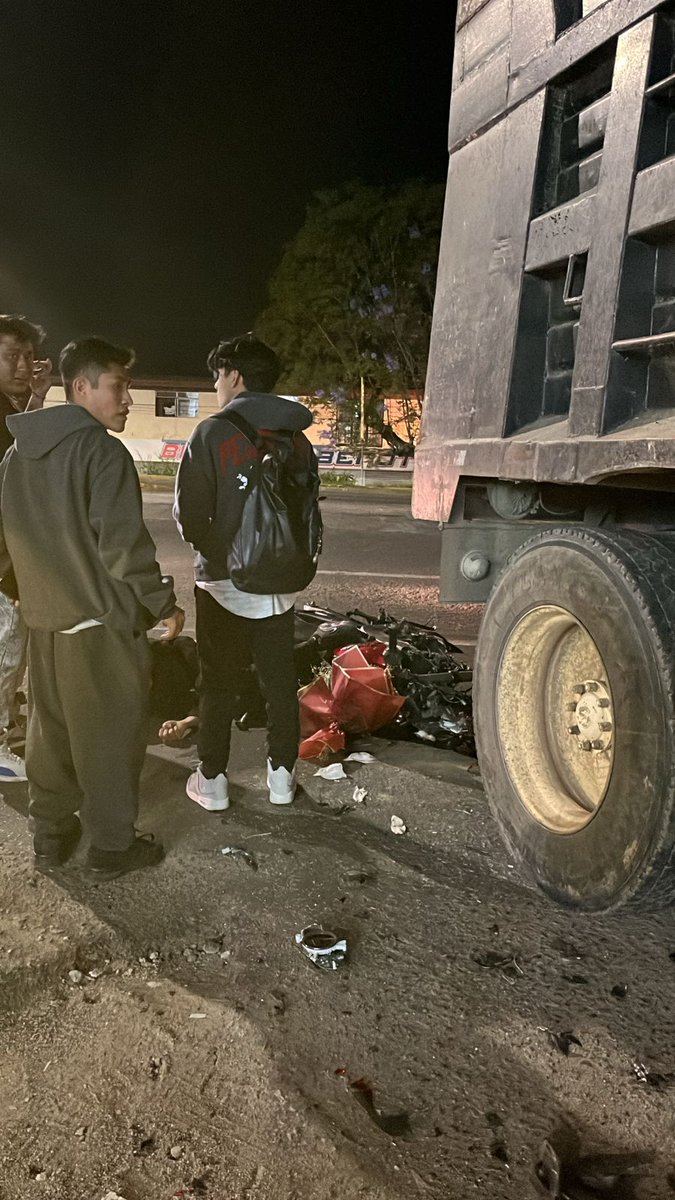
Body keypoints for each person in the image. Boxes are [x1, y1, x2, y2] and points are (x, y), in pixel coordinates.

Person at [0, 337, 185, 878]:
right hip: (99, 624)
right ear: (81, 387)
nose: (128, 398)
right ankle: (110, 846)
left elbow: (7, 542)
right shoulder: (102, 452)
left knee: (49, 732)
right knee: (109, 736)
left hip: (45, 621)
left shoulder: (15, 455)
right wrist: (162, 606)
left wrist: (28, 594)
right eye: (119, 386)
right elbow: (123, 549)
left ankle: (50, 836)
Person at [175, 333, 316, 811]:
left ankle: (212, 782)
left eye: (218, 375)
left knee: (217, 682)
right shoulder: (297, 439)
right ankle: (281, 780)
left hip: (222, 584)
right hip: (281, 585)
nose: (216, 385)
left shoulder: (212, 433)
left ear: (234, 375)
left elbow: (190, 517)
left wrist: (221, 553)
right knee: (279, 683)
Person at [0, 315, 54, 780]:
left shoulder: (13, 403)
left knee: (12, 649)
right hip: (4, 561)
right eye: (10, 356)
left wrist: (37, 396)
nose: (22, 365)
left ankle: (6, 724)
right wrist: (9, 570)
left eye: (27, 356)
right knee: (5, 650)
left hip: (15, 556)